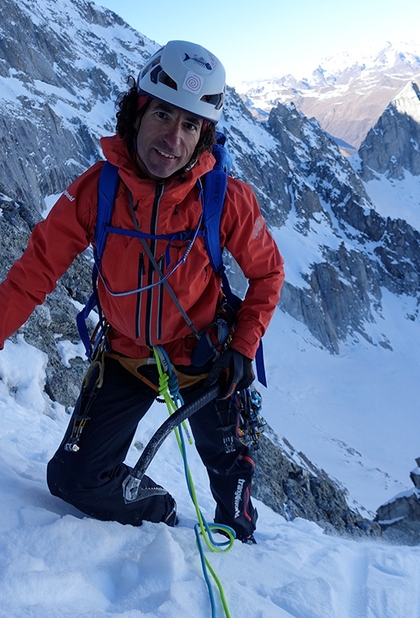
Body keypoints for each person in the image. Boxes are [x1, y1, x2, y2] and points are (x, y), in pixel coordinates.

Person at [0, 40, 284, 541]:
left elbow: (268, 273)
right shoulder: (98, 191)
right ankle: (157, 505)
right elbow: (36, 270)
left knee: (234, 512)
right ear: (137, 112)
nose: (173, 138)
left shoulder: (225, 199)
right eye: (163, 115)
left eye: (191, 125)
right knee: (71, 479)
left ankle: (244, 543)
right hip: (127, 355)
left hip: (206, 356)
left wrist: (243, 346)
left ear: (204, 137)